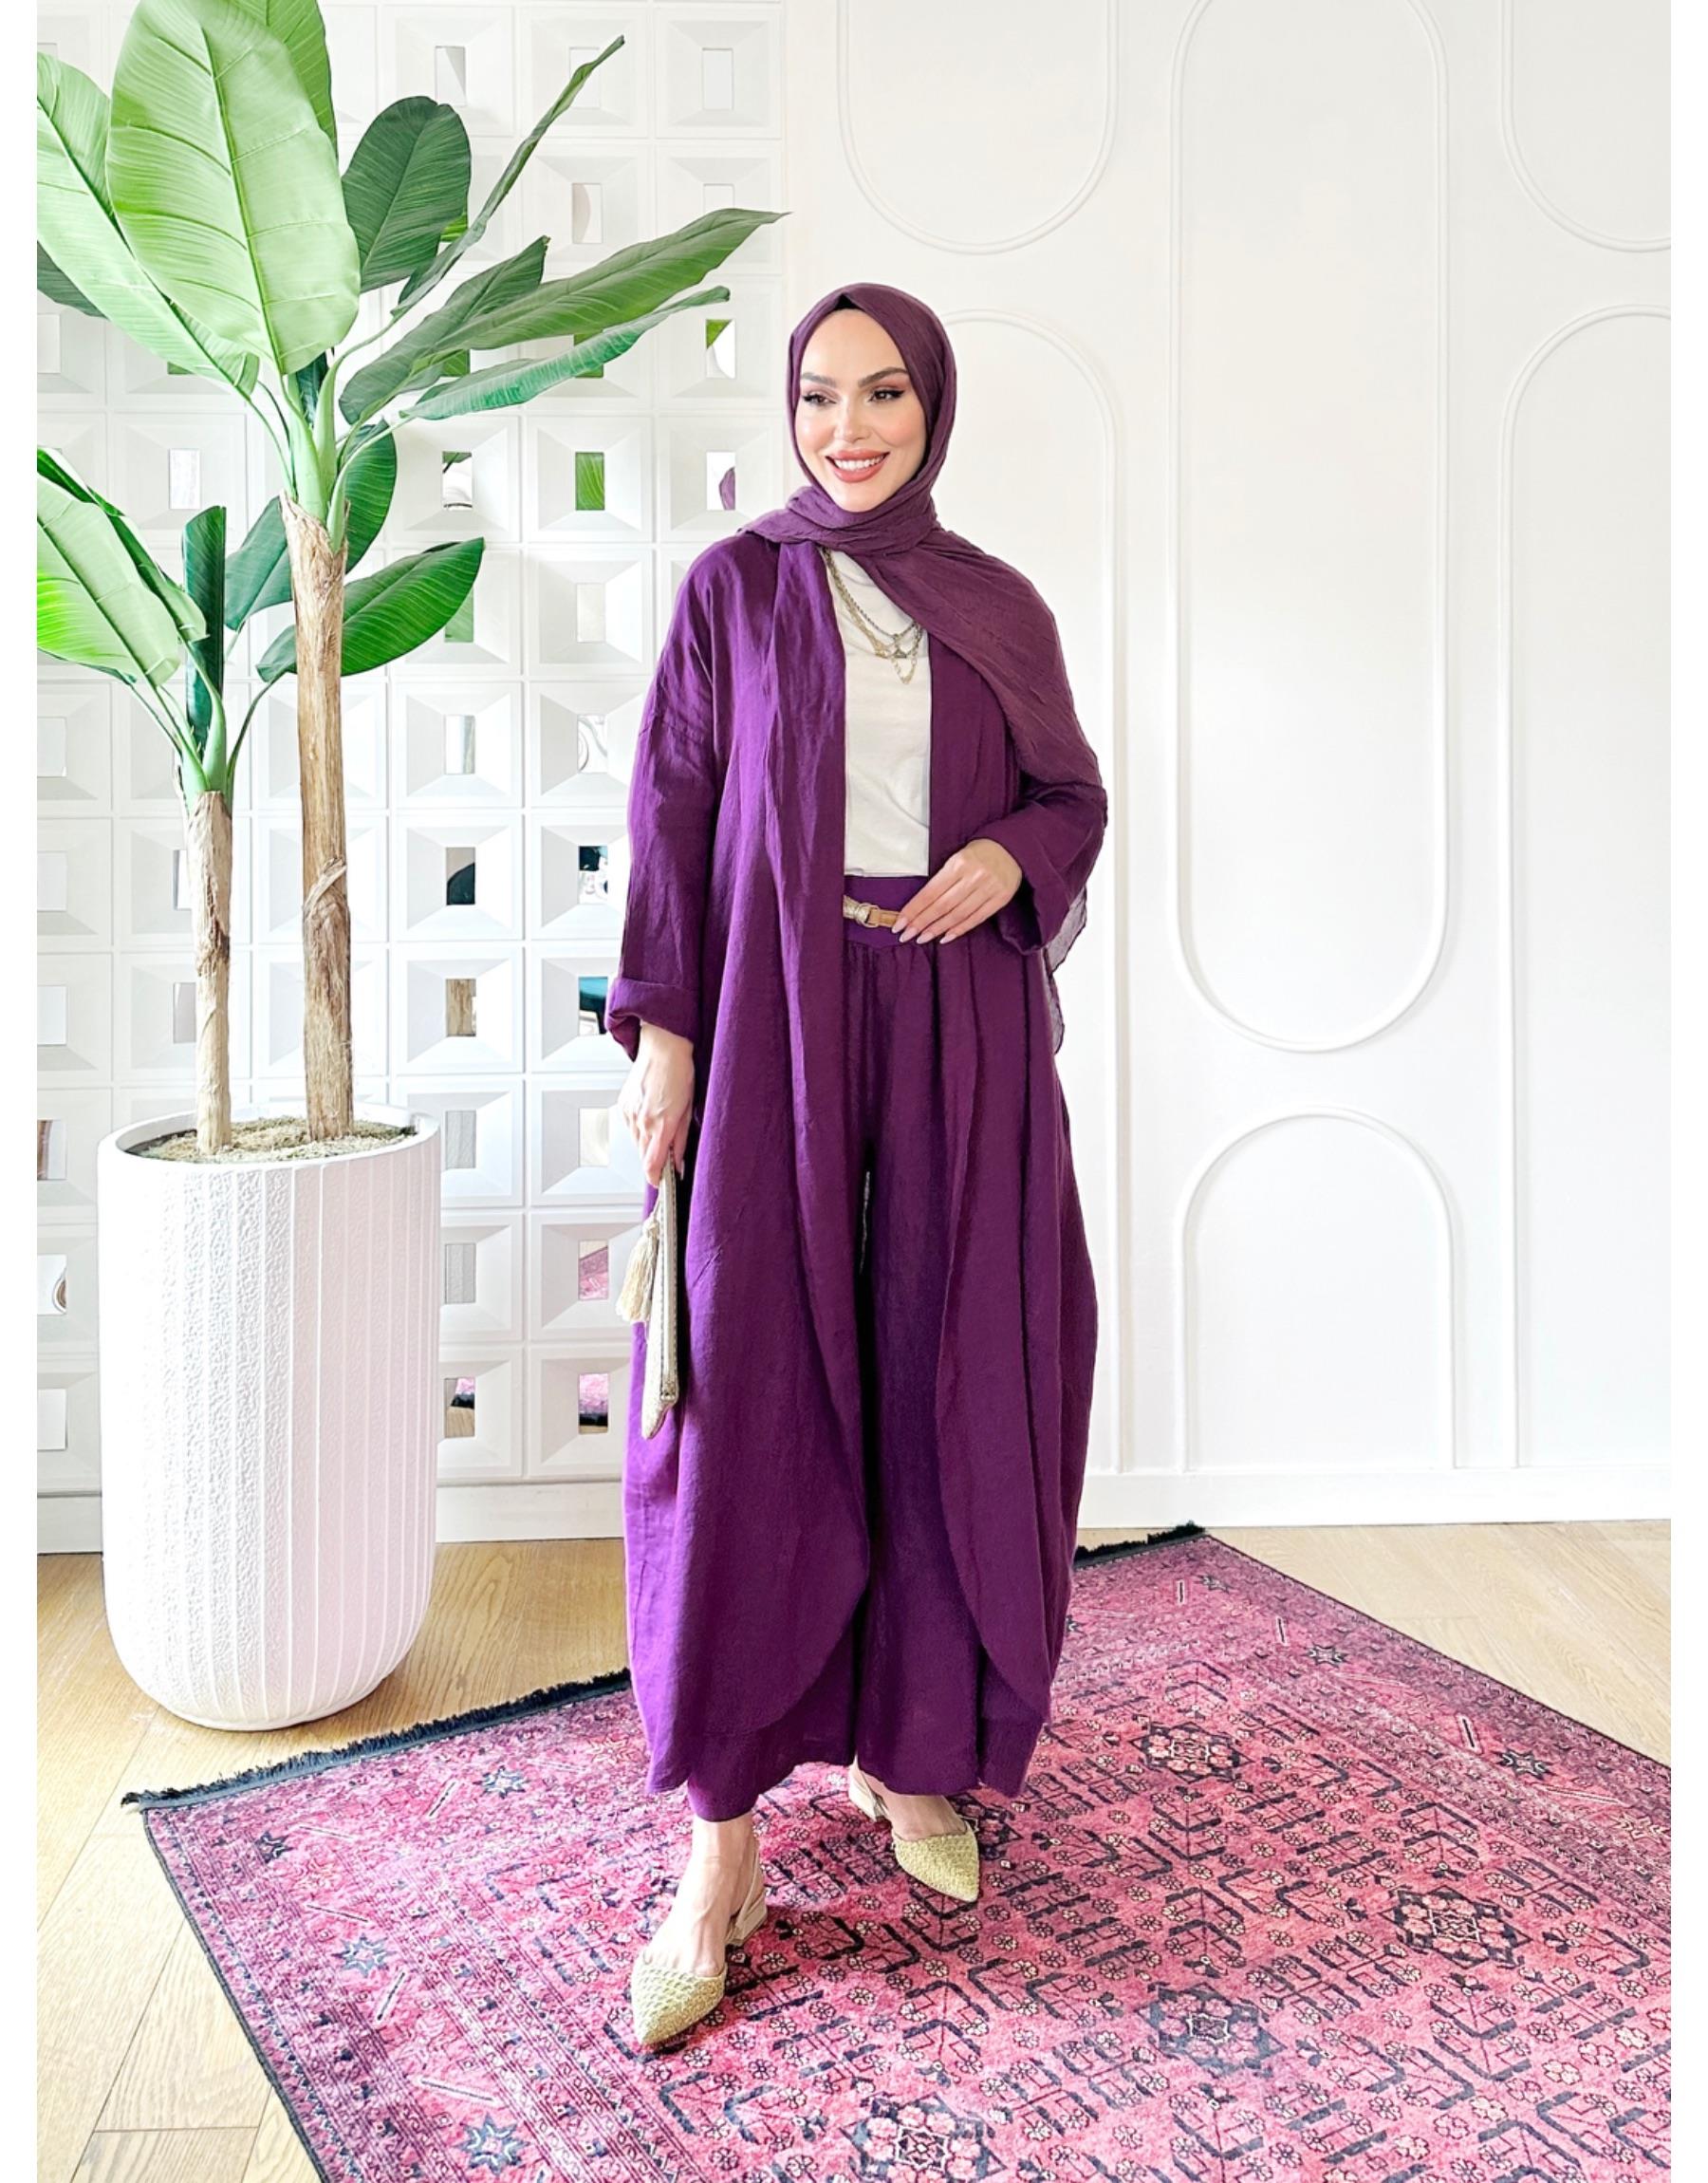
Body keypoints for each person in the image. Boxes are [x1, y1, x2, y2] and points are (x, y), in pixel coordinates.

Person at [607, 281, 1107, 2046]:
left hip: (956, 1016)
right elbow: (673, 813)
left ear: (932, 407)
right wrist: (666, 1039)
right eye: (820, 395)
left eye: (883, 393)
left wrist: (1011, 858)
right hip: (774, 1021)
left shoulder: (996, 602)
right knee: (746, 1400)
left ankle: (912, 1754)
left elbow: (1070, 794)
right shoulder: (734, 590)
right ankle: (721, 1852)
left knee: (948, 1373)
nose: (850, 427)